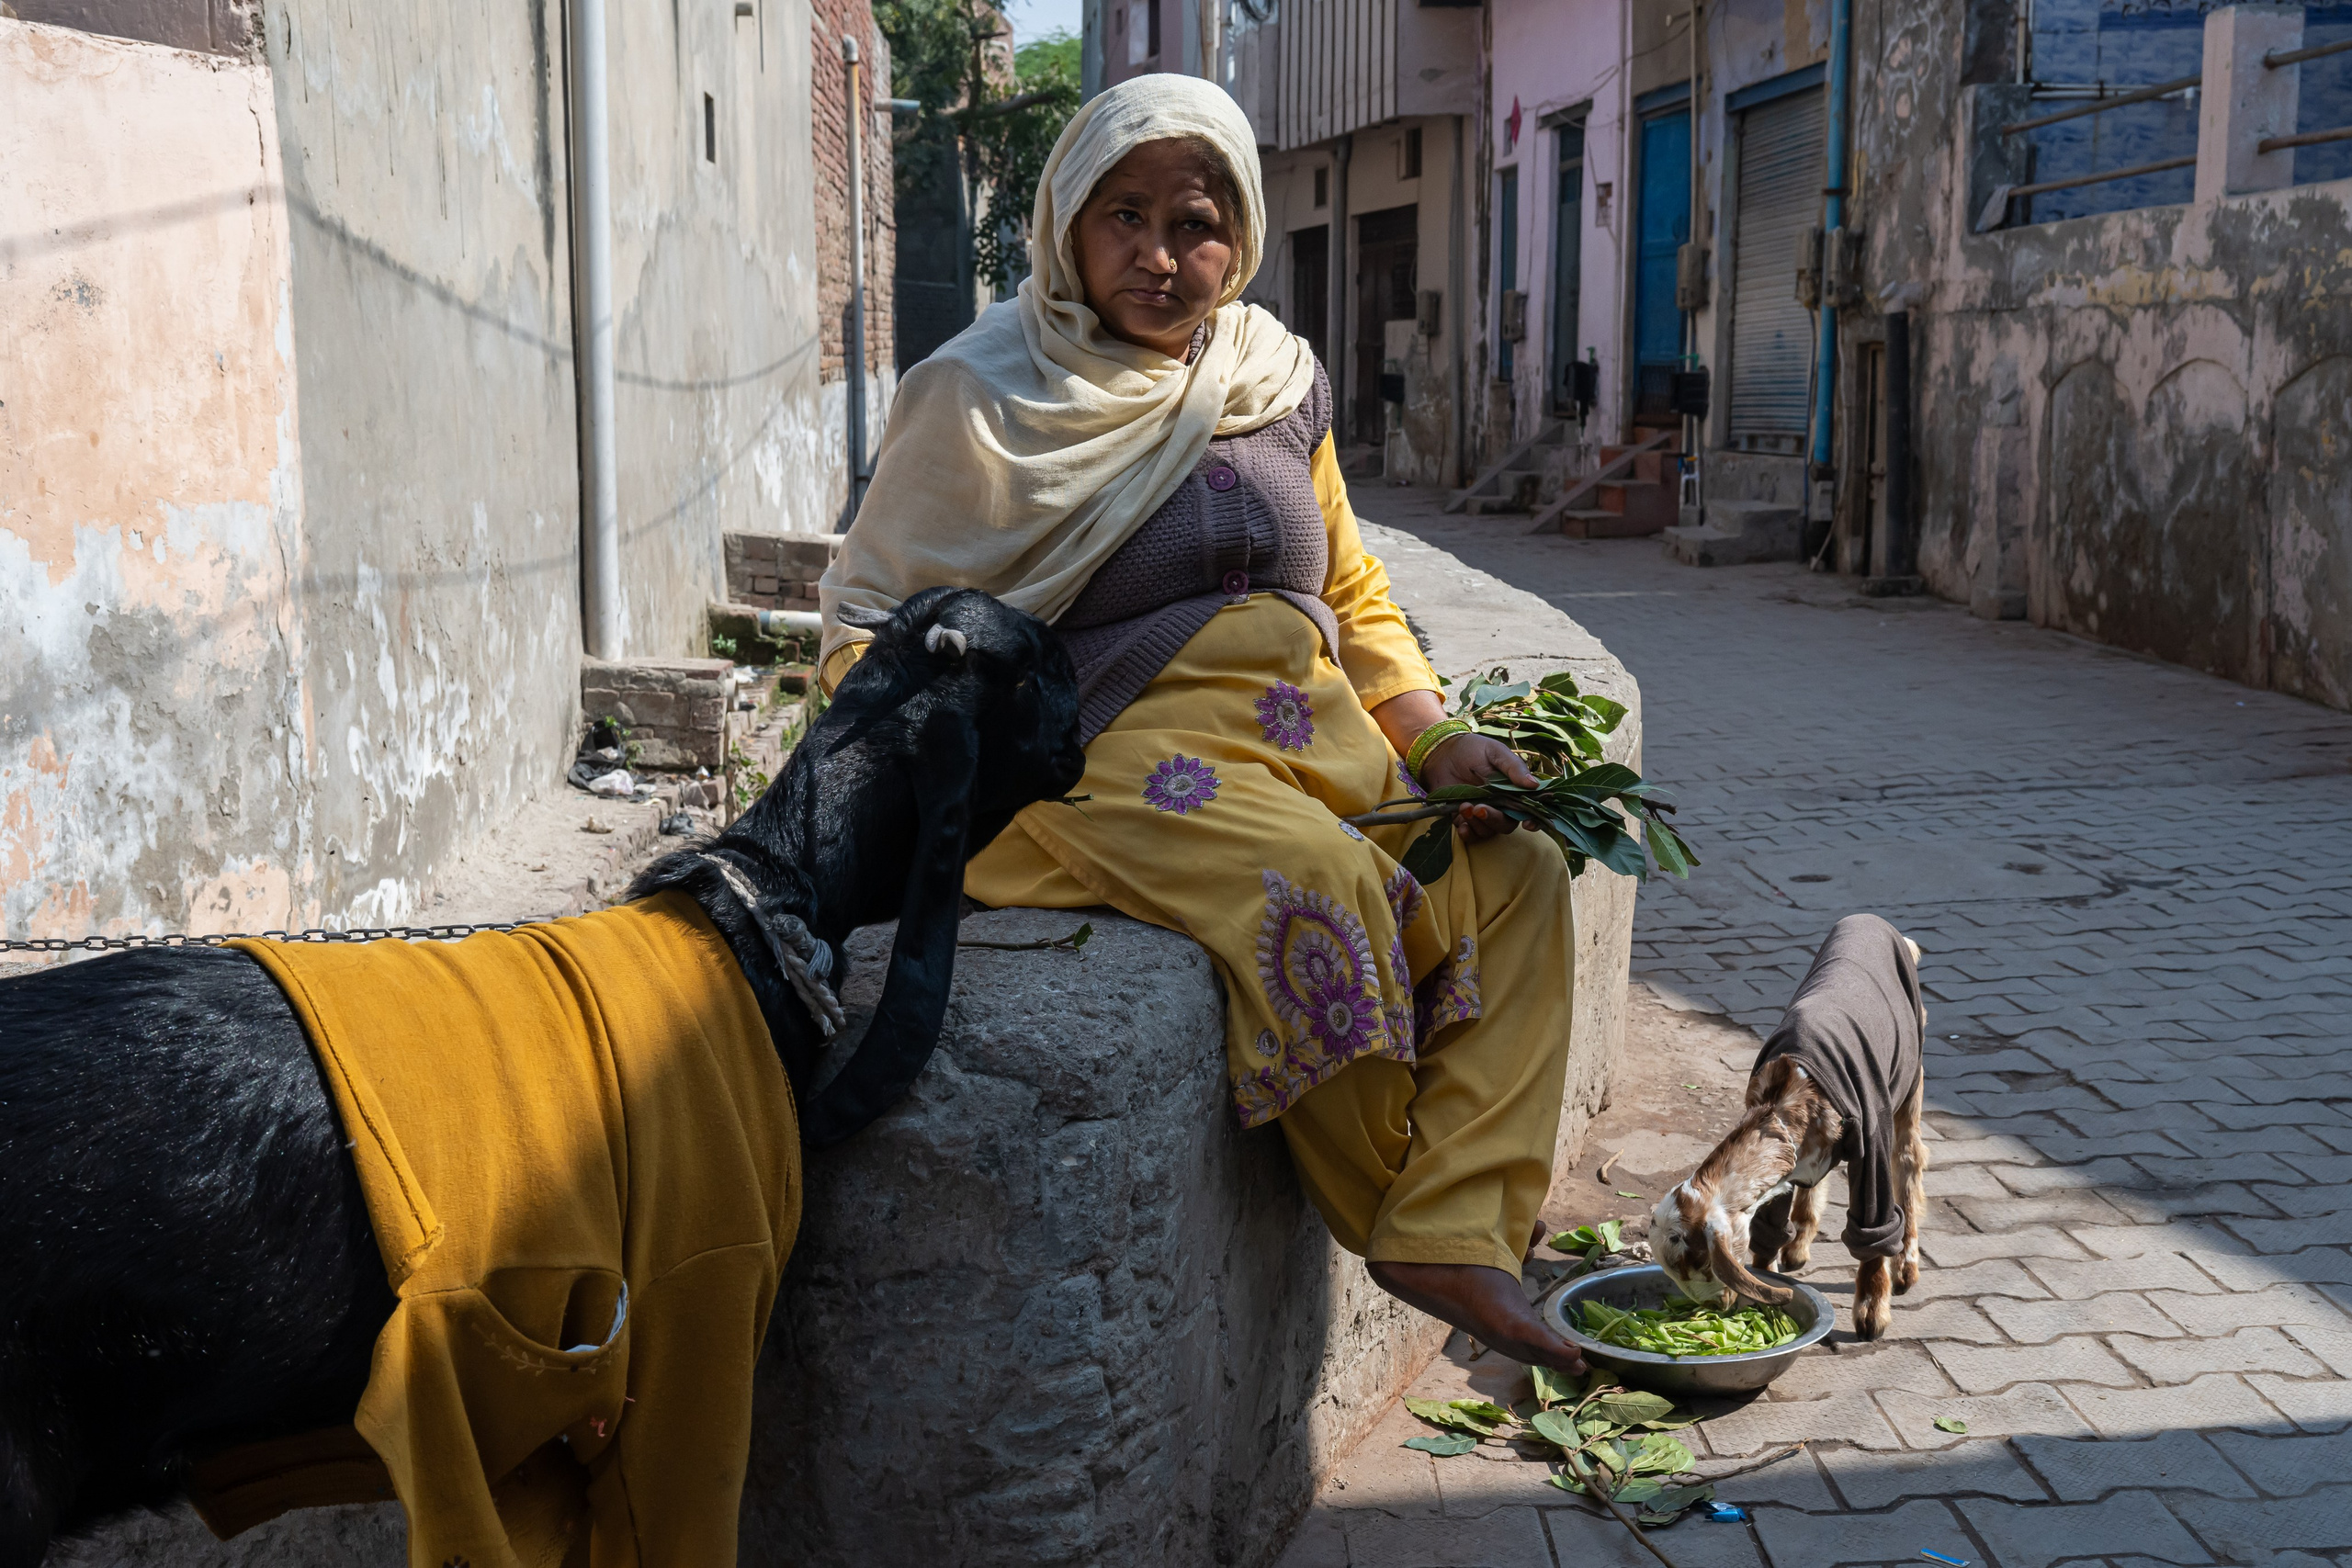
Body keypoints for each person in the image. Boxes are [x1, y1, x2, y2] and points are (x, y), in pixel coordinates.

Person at [819, 73, 1583, 1371]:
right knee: (1323, 892)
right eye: (1123, 214)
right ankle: (1417, 1222)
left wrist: (1434, 734)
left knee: (1519, 867)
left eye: (1198, 219)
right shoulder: (984, 394)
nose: (1160, 257)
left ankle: (1456, 1221)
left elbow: (1349, 586)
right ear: (1065, 218)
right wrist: (948, 735)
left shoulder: (1274, 375)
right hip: (1098, 763)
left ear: (1245, 232)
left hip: (1310, 743)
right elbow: (866, 623)